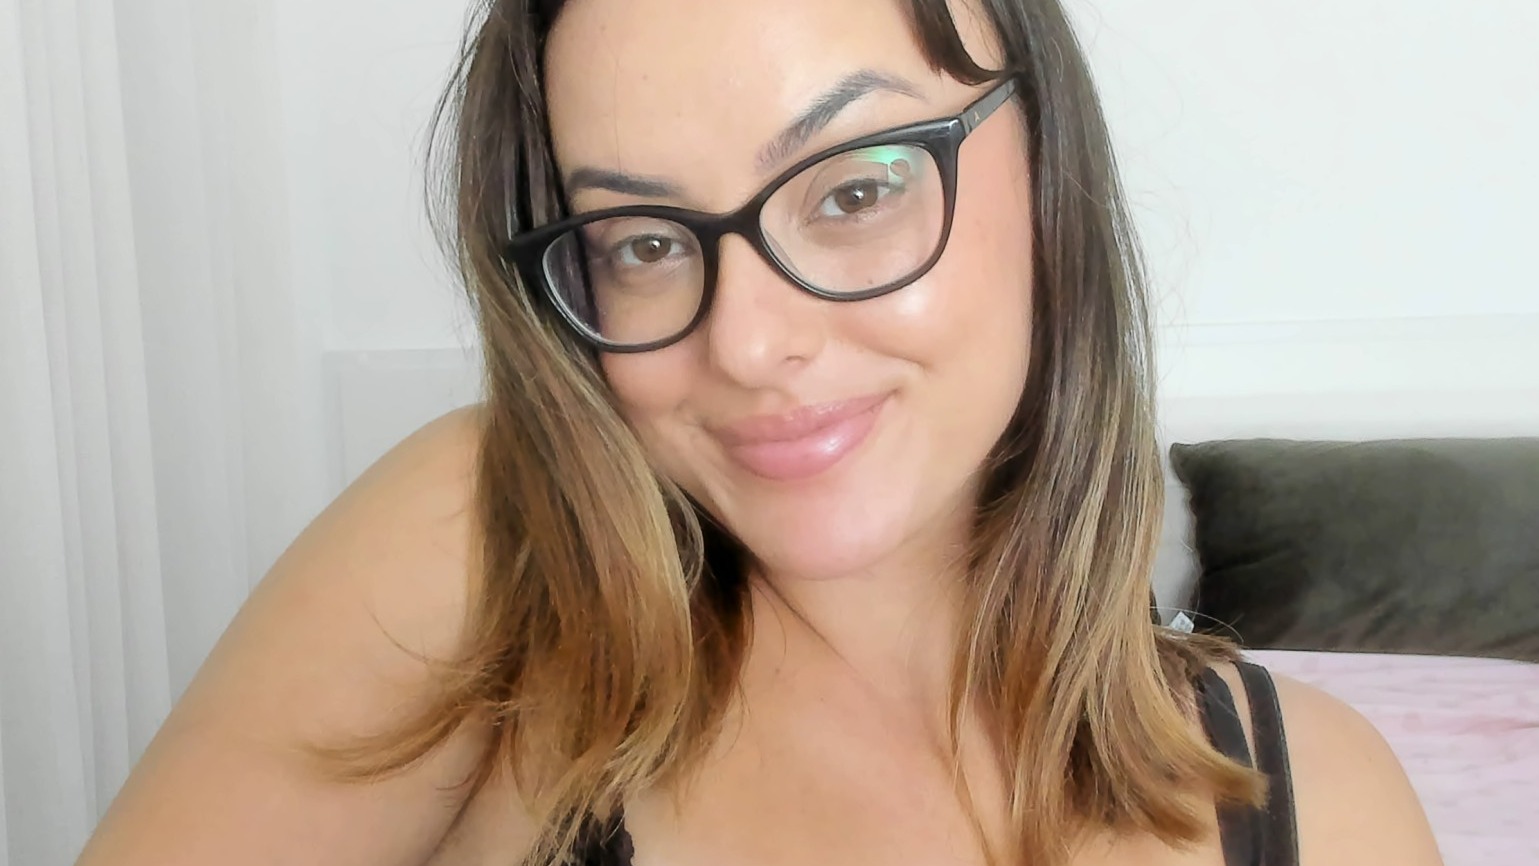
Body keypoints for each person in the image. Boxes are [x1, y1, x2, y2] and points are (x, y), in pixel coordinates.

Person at [76, 1, 1443, 864]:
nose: (744, 342)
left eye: (855, 190)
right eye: (643, 240)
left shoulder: (1317, 804)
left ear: (1048, 171)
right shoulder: (492, 547)